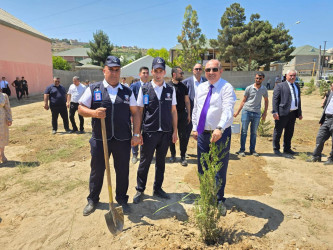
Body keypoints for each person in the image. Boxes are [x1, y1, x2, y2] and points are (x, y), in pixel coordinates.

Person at [78, 56, 141, 216]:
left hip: (122, 140)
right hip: (100, 139)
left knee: (122, 171)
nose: (114, 73)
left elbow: (136, 112)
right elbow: (80, 108)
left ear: (120, 71)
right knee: (97, 171)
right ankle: (93, 199)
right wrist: (94, 113)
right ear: (104, 70)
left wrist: (136, 134)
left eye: (117, 70)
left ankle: (121, 200)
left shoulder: (127, 91)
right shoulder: (94, 88)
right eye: (111, 69)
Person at [192, 59, 236, 216]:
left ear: (221, 71)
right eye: (208, 70)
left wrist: (219, 128)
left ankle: (219, 200)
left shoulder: (226, 88)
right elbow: (196, 109)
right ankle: (205, 195)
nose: (211, 73)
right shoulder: (202, 87)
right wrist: (195, 128)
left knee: (219, 167)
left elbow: (228, 110)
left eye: (214, 69)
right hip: (203, 133)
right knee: (202, 166)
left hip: (220, 133)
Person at [133, 57, 178, 204]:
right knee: (144, 162)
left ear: (164, 72)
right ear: (152, 71)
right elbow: (139, 111)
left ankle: (157, 188)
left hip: (165, 132)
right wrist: (138, 133)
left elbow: (173, 111)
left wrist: (175, 131)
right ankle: (140, 189)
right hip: (149, 132)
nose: (158, 74)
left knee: (161, 162)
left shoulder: (170, 89)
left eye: (161, 71)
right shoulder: (144, 89)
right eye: (156, 71)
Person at [234, 73, 269, 157]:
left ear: (263, 79)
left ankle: (252, 150)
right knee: (244, 131)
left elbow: (266, 101)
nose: (258, 80)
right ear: (255, 78)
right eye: (257, 78)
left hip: (257, 113)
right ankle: (242, 150)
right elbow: (243, 101)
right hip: (246, 112)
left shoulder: (264, 89)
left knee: (253, 133)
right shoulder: (249, 88)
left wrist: (264, 113)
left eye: (260, 78)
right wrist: (237, 112)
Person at [272, 70, 302, 156]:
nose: (292, 77)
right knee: (278, 131)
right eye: (290, 75)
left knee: (289, 132)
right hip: (282, 113)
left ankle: (287, 148)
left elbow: (298, 100)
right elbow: (275, 100)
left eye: (294, 75)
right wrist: (275, 112)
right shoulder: (280, 86)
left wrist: (299, 113)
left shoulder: (297, 86)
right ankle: (276, 149)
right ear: (286, 75)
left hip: (293, 113)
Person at [168, 66, 191, 166]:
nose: (182, 75)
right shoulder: (167, 86)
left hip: (181, 114)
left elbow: (187, 101)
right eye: (180, 73)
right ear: (174, 74)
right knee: (171, 136)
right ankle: (173, 155)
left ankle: (182, 156)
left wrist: (189, 114)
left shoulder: (183, 86)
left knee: (183, 136)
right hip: (170, 115)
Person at [130, 66, 150, 164]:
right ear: (139, 74)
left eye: (147, 73)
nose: (145, 75)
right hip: (136, 115)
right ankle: (134, 154)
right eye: (143, 73)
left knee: (145, 135)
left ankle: (143, 154)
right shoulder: (134, 86)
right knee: (136, 133)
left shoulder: (151, 86)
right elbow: (129, 102)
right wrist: (131, 116)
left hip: (147, 116)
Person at [307, 90, 333, 164]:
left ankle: (331, 159)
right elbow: (325, 106)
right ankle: (316, 156)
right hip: (327, 119)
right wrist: (322, 120)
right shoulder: (330, 93)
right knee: (320, 137)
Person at [182, 63, 207, 141]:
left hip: (203, 111)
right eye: (196, 69)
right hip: (189, 111)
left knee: (203, 133)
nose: (198, 71)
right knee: (186, 133)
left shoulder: (206, 82)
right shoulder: (185, 82)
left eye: (200, 69)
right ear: (193, 71)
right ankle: (184, 151)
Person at [0, 88, 12, 163]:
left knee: (2, 136)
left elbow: (7, 108)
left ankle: (2, 154)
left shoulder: (4, 96)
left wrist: (9, 118)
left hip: (1, 119)